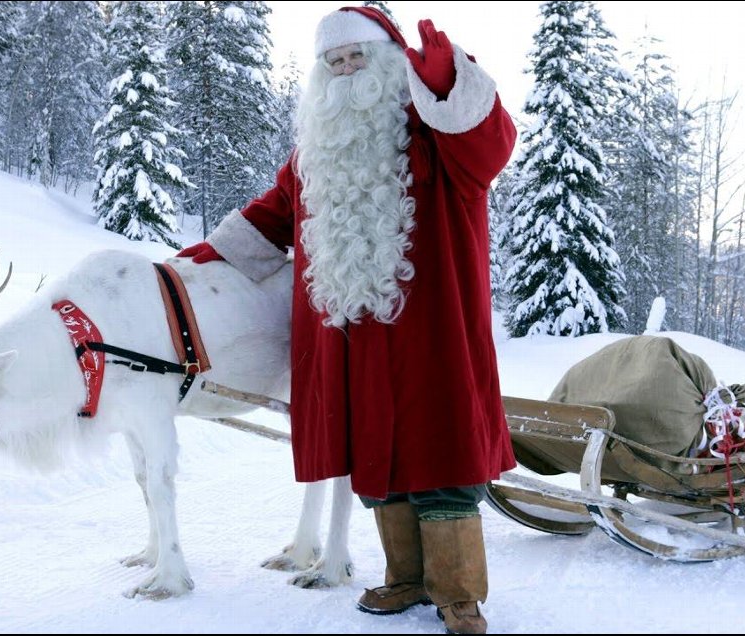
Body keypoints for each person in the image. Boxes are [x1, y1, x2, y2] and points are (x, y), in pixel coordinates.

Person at [177, 7, 516, 634]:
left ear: (388, 62)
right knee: (377, 456)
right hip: (353, 334)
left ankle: (459, 593)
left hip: (432, 330)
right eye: (333, 62)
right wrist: (204, 255)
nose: (345, 70)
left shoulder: (436, 131)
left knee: (442, 452)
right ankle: (406, 579)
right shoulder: (318, 150)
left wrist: (448, 78)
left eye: (356, 56)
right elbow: (276, 213)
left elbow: (489, 144)